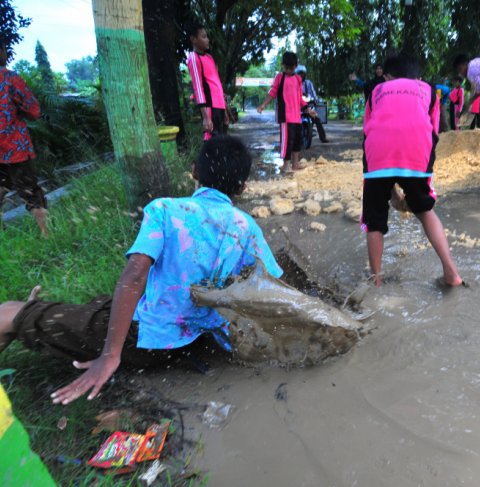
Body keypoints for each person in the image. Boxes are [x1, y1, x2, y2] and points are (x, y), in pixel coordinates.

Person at [0, 136, 283, 405]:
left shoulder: (165, 209)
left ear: (194, 171)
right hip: (201, 339)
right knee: (99, 305)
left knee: (10, 312)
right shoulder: (247, 227)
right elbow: (273, 287)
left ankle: (25, 315)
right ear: (242, 187)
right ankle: (34, 314)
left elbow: (135, 275)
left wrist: (110, 355)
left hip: (148, 341)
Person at [361, 52, 463, 288]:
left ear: (387, 75)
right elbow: (432, 130)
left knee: (374, 220)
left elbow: (368, 131)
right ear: (417, 74)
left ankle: (376, 279)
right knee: (425, 210)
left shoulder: (376, 91)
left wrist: (390, 189)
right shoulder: (428, 90)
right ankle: (451, 273)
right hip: (417, 153)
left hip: (378, 157)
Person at [0, 41, 48, 238]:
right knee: (30, 192)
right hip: (14, 147)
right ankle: (46, 234)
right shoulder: (9, 78)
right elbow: (33, 110)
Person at [257, 52, 314, 172]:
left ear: (296, 65)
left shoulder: (298, 79)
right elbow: (272, 93)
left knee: (297, 141)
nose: (289, 70)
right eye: (287, 68)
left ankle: (295, 164)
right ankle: (285, 165)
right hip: (285, 117)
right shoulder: (280, 77)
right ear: (283, 65)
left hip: (296, 117)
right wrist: (263, 105)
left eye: (292, 68)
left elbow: (300, 98)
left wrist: (307, 109)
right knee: (287, 142)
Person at [186, 22, 228, 141]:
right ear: (194, 39)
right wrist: (205, 116)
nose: (207, 40)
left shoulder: (209, 58)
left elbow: (217, 85)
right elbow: (198, 88)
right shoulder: (194, 58)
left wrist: (224, 110)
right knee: (211, 142)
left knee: (221, 142)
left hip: (219, 106)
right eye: (204, 37)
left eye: (207, 36)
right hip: (209, 107)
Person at [296, 66, 330, 143]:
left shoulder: (308, 83)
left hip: (308, 106)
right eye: (299, 74)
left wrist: (315, 100)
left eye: (303, 74)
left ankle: (323, 137)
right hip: (297, 107)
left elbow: (313, 93)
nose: (301, 76)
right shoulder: (295, 83)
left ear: (305, 74)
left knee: (317, 118)